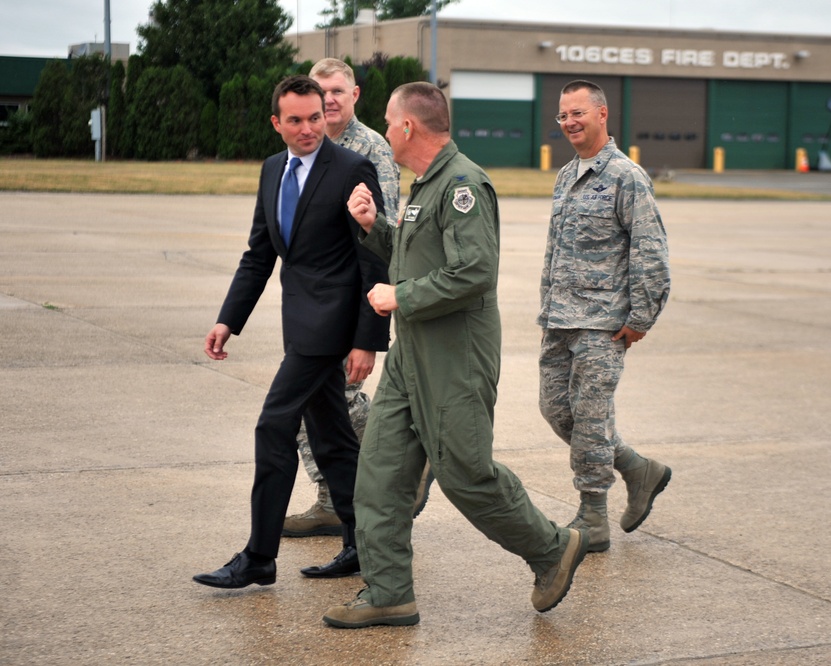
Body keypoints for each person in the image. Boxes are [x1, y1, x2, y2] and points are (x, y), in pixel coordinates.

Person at [322, 82, 589, 629]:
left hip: (454, 358)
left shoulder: (464, 183)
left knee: (466, 475)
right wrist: (376, 229)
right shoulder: (426, 185)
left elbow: (474, 272)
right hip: (412, 355)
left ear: (407, 128)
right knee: (379, 475)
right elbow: (419, 253)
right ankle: (389, 592)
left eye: (388, 119)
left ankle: (551, 549)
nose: (383, 128)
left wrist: (400, 296)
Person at [193, 75, 385, 589]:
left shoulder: (352, 168)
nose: (307, 128)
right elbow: (260, 254)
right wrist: (227, 320)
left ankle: (258, 556)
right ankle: (365, 544)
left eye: (315, 117)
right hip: (298, 324)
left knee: (273, 426)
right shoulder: (273, 170)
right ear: (277, 123)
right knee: (332, 438)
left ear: (326, 115)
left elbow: (375, 254)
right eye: (295, 120)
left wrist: (368, 338)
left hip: (333, 326)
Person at [283, 58, 435, 547]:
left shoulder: (371, 151)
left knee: (332, 397)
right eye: (318, 89)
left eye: (335, 90)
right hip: (316, 304)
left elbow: (381, 243)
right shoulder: (310, 146)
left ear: (354, 95)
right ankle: (334, 501)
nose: (326, 99)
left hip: (352, 302)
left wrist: (367, 334)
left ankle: (411, 462)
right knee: (319, 400)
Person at [538, 80, 672, 554]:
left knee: (592, 419)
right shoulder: (567, 174)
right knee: (557, 411)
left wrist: (641, 316)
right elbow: (556, 251)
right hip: (560, 320)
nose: (570, 122)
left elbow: (650, 250)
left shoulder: (625, 176)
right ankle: (637, 468)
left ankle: (592, 515)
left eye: (578, 113)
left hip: (602, 323)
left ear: (602, 114)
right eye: (563, 116)